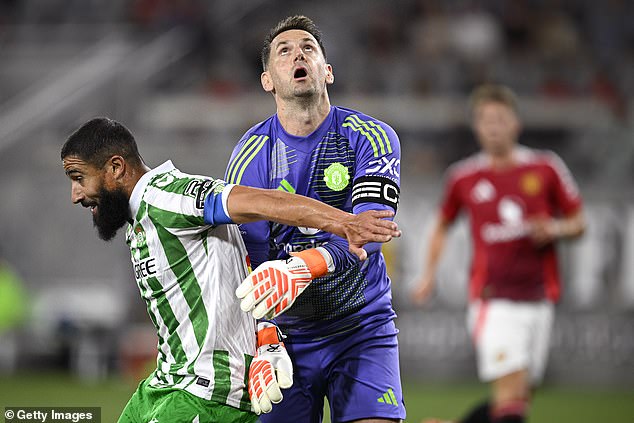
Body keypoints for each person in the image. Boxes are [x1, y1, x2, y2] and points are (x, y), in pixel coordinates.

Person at [61, 117, 401, 423]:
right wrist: (267, 333)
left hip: (206, 393)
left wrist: (345, 223)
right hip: (163, 384)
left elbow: (265, 203)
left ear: (116, 168)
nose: (75, 195)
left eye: (79, 179)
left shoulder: (169, 198)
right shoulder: (140, 216)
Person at [226, 15, 405, 423]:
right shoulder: (250, 158)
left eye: (308, 47)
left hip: (361, 327)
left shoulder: (370, 136)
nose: (297, 54)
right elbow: (246, 258)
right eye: (283, 51)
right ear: (268, 80)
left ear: (327, 70)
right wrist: (265, 339)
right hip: (287, 337)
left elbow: (369, 233)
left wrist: (301, 268)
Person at [412, 84, 586, 423]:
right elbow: (442, 225)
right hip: (494, 300)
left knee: (517, 399)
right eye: (485, 120)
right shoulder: (463, 176)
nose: (493, 126)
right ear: (476, 127)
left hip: (539, 298)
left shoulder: (546, 167)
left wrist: (555, 229)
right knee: (511, 400)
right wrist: (428, 275)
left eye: (500, 119)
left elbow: (579, 223)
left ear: (515, 123)